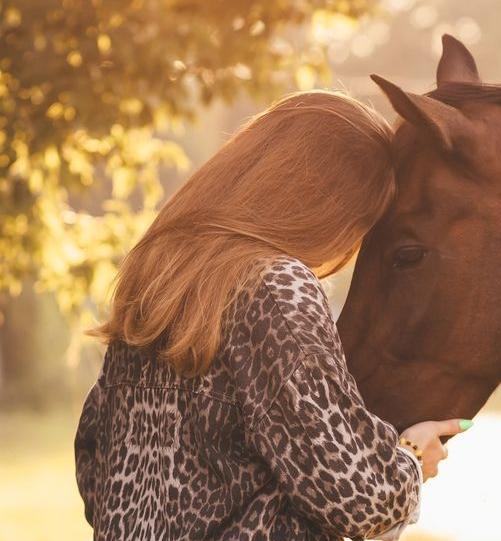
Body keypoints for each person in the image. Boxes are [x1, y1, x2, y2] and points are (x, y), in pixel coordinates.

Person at [75, 89, 473, 540]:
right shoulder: (275, 288)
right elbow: (358, 498)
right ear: (331, 207)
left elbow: (94, 462)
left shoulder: (155, 276)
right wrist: (410, 460)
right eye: (362, 223)